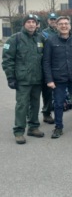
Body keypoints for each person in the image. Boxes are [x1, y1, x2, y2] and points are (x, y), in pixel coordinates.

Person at [43, 15, 72, 138]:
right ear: (57, 26)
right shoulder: (51, 41)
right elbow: (46, 62)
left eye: (66, 23)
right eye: (61, 24)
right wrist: (49, 79)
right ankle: (58, 127)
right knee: (58, 104)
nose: (64, 26)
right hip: (58, 80)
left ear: (70, 26)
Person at [2, 14, 45, 144]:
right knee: (22, 105)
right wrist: (10, 77)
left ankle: (33, 127)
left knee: (35, 104)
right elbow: (7, 60)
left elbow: (45, 58)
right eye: (29, 22)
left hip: (37, 79)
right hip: (23, 79)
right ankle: (19, 131)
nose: (32, 24)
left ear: (37, 24)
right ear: (24, 24)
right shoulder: (14, 39)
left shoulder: (40, 38)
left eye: (34, 22)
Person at [40, 12, 58, 124]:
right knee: (45, 92)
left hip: (56, 65)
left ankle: (53, 111)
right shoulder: (43, 33)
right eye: (51, 19)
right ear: (48, 21)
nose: (53, 21)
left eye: (54, 19)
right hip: (45, 64)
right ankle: (46, 114)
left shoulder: (60, 32)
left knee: (53, 92)